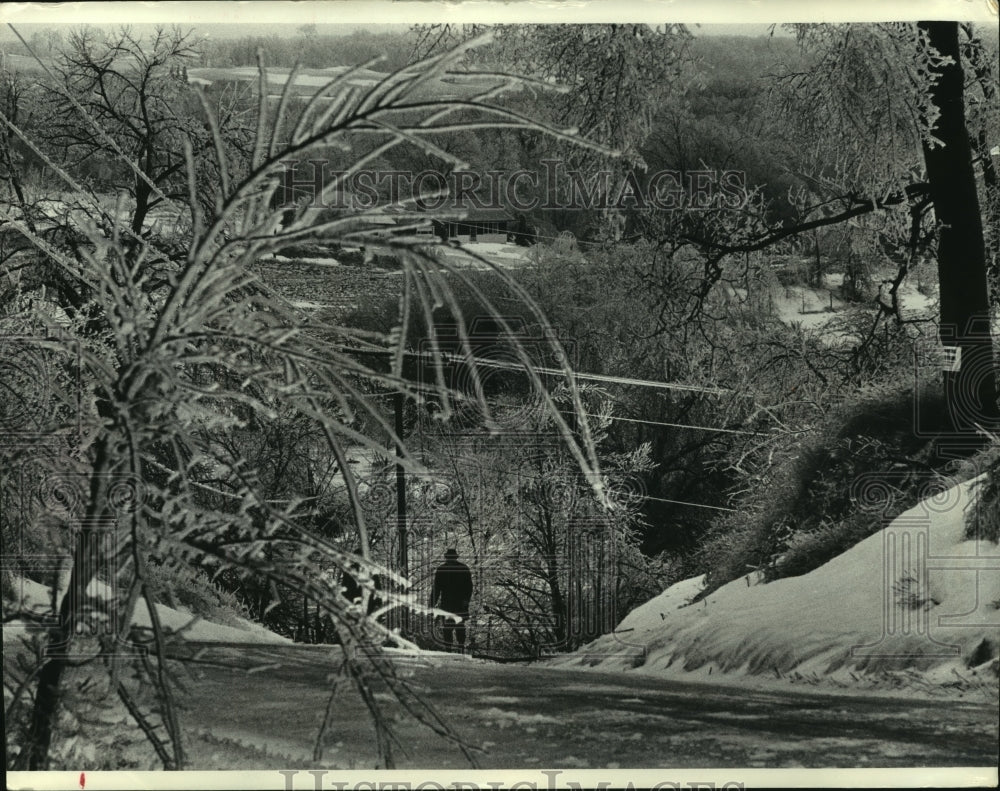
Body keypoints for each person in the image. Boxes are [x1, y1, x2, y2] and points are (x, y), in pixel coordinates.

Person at [430, 548, 473, 652]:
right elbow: (437, 588)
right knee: (452, 627)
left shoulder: (444, 569)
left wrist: (432, 604)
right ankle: (453, 648)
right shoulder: (463, 568)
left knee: (457, 627)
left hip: (455, 603)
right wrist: (432, 604)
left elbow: (469, 587)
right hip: (453, 603)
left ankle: (458, 647)